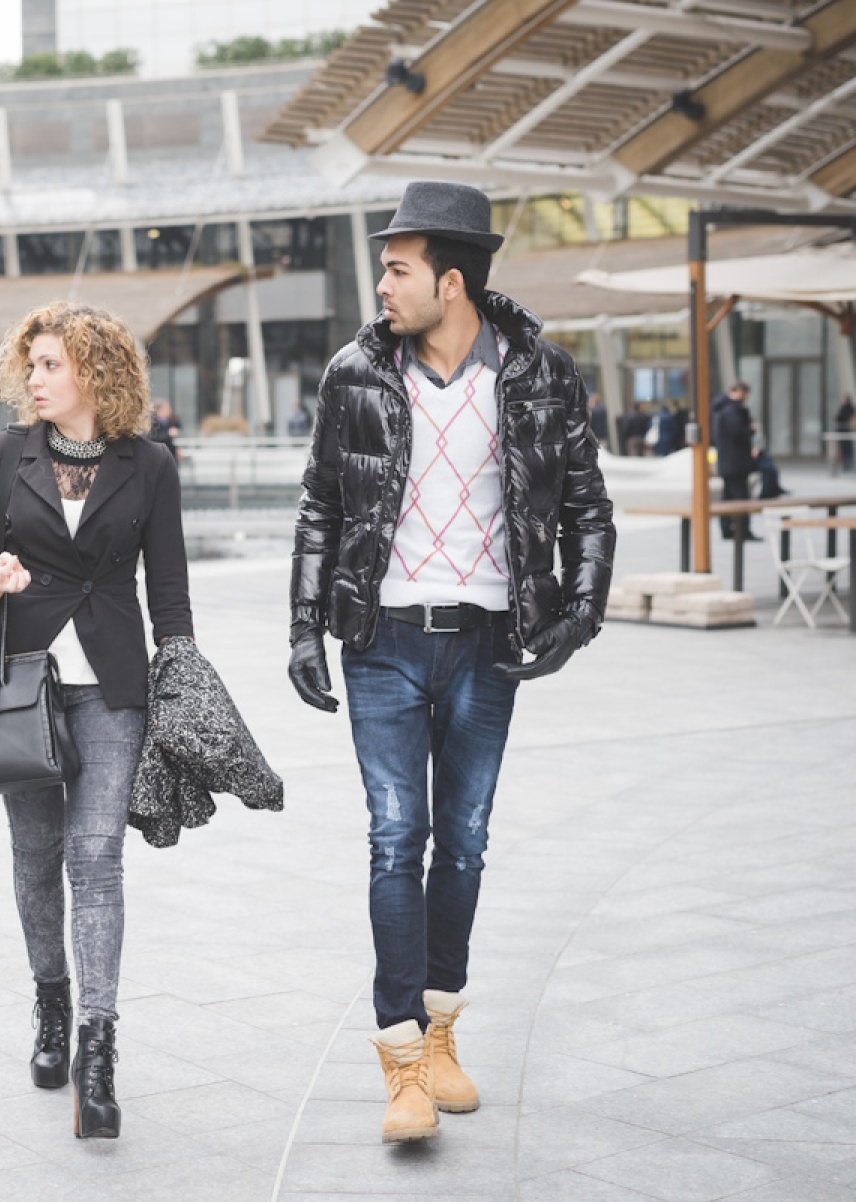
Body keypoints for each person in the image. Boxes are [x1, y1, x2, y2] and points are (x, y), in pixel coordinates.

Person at [288, 182, 613, 1146]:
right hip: (381, 640)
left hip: (488, 642)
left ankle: (440, 1037)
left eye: (398, 269)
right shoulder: (356, 372)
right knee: (397, 838)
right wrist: (305, 626)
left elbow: (587, 507)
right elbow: (321, 507)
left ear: (452, 280)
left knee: (463, 841)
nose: (381, 285)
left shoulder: (541, 373)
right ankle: (400, 1067)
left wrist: (579, 614)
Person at [0, 301, 192, 1140]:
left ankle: (98, 1052)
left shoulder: (150, 464)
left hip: (113, 691)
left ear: (96, 372)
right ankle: (51, 1005)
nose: (36, 378)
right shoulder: (3, 455)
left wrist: (183, 687)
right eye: (33, 364)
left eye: (52, 364)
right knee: (36, 856)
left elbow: (169, 591)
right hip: (23, 687)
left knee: (96, 858)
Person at [712, 381, 757, 542]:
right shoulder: (732, 411)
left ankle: (728, 529)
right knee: (740, 497)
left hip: (727, 461)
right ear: (739, 391)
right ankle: (742, 530)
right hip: (736, 462)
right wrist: (751, 429)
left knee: (728, 497)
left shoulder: (721, 409)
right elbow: (737, 433)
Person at [834, 394, 856, 472]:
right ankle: (845, 465)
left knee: (847, 449)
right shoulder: (842, 408)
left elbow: (841, 417)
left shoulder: (849, 408)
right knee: (843, 450)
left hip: (846, 431)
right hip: (842, 432)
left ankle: (848, 465)